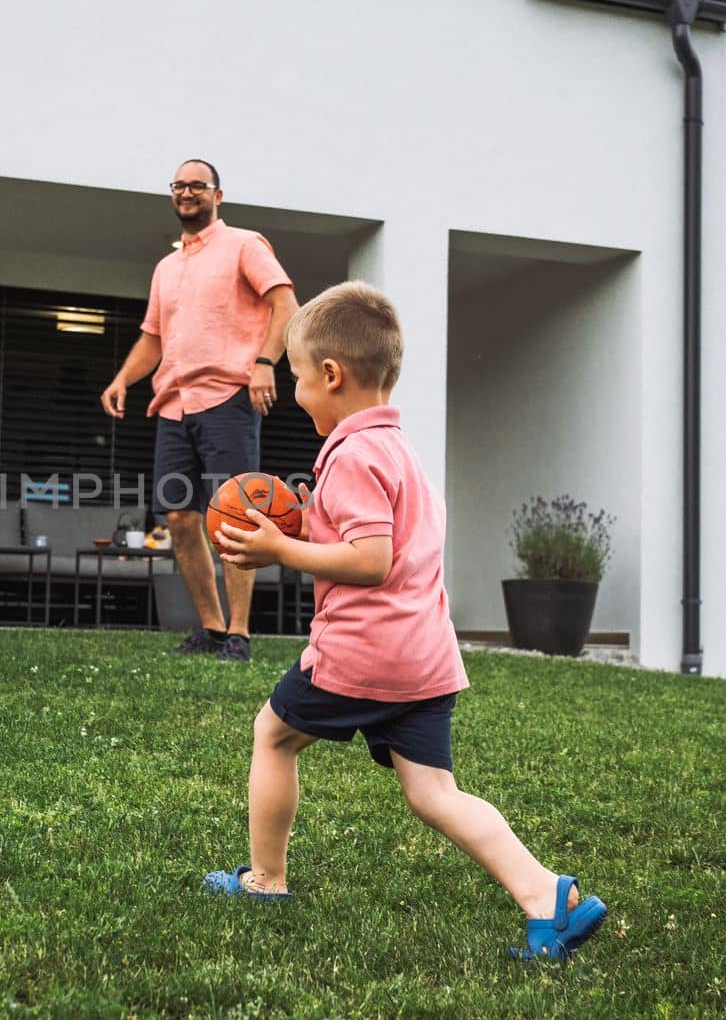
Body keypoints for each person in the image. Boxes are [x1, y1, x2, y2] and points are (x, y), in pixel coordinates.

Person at [202, 281, 606, 961]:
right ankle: (547, 895)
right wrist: (309, 519)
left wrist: (280, 547)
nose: (297, 394)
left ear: (331, 375)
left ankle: (266, 879)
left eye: (299, 380)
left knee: (272, 734)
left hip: (365, 654)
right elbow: (385, 538)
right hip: (425, 657)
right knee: (435, 792)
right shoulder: (401, 454)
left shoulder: (353, 455)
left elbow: (370, 559)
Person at [101, 159, 299, 662]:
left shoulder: (245, 245)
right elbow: (153, 337)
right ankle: (210, 629)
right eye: (179, 185)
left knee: (234, 516)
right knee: (180, 516)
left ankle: (239, 633)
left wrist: (264, 363)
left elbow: (286, 304)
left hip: (228, 399)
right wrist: (124, 379)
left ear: (218, 194)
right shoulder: (167, 268)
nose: (187, 192)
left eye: (197, 185)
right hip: (173, 404)